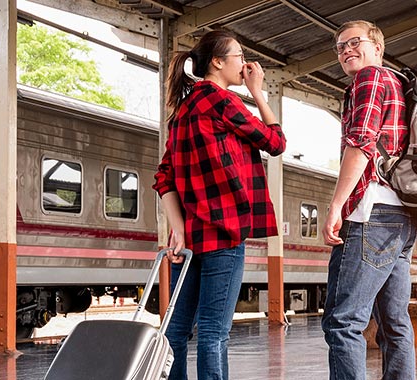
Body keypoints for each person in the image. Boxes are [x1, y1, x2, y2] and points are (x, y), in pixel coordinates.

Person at [152, 30, 286, 380]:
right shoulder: (223, 101)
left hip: (191, 241)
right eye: (239, 56)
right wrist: (258, 91)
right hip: (224, 236)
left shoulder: (183, 110)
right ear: (217, 61)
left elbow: (163, 176)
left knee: (176, 332)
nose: (244, 63)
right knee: (214, 334)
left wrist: (177, 231)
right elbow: (275, 141)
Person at [321, 20, 417, 380]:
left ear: (378, 47)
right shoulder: (397, 82)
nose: (346, 50)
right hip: (403, 217)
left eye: (354, 43)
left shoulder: (370, 78)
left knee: (343, 322)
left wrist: (336, 205)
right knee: (395, 323)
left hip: (371, 214)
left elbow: (361, 142)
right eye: (341, 47)